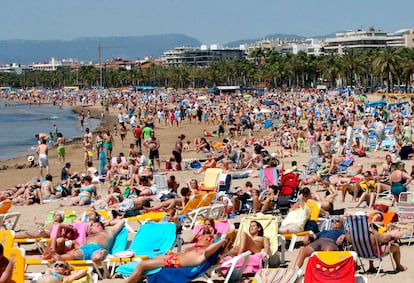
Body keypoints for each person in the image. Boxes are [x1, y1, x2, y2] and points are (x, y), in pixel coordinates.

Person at [125, 234, 234, 283]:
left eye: (207, 239)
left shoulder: (205, 253)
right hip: (173, 259)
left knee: (142, 265)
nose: (203, 239)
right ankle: (137, 279)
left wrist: (222, 241)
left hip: (174, 263)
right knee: (146, 262)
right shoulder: (200, 250)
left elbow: (213, 249)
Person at [49, 220, 125, 261]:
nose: (90, 227)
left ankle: (97, 257)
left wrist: (108, 222)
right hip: (85, 248)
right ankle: (58, 257)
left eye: (92, 225)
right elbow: (81, 245)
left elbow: (122, 221)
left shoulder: (108, 232)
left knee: (98, 256)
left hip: (99, 248)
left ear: (98, 226)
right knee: (74, 255)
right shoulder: (89, 236)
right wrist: (75, 250)